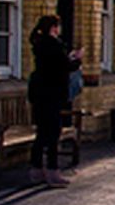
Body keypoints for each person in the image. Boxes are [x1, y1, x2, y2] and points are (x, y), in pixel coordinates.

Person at [27, 15, 81, 187]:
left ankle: (36, 169)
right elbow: (64, 67)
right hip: (51, 94)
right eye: (57, 26)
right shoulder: (53, 45)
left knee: (42, 132)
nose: (59, 30)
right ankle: (52, 171)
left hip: (39, 94)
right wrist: (77, 59)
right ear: (53, 28)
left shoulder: (39, 43)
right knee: (53, 133)